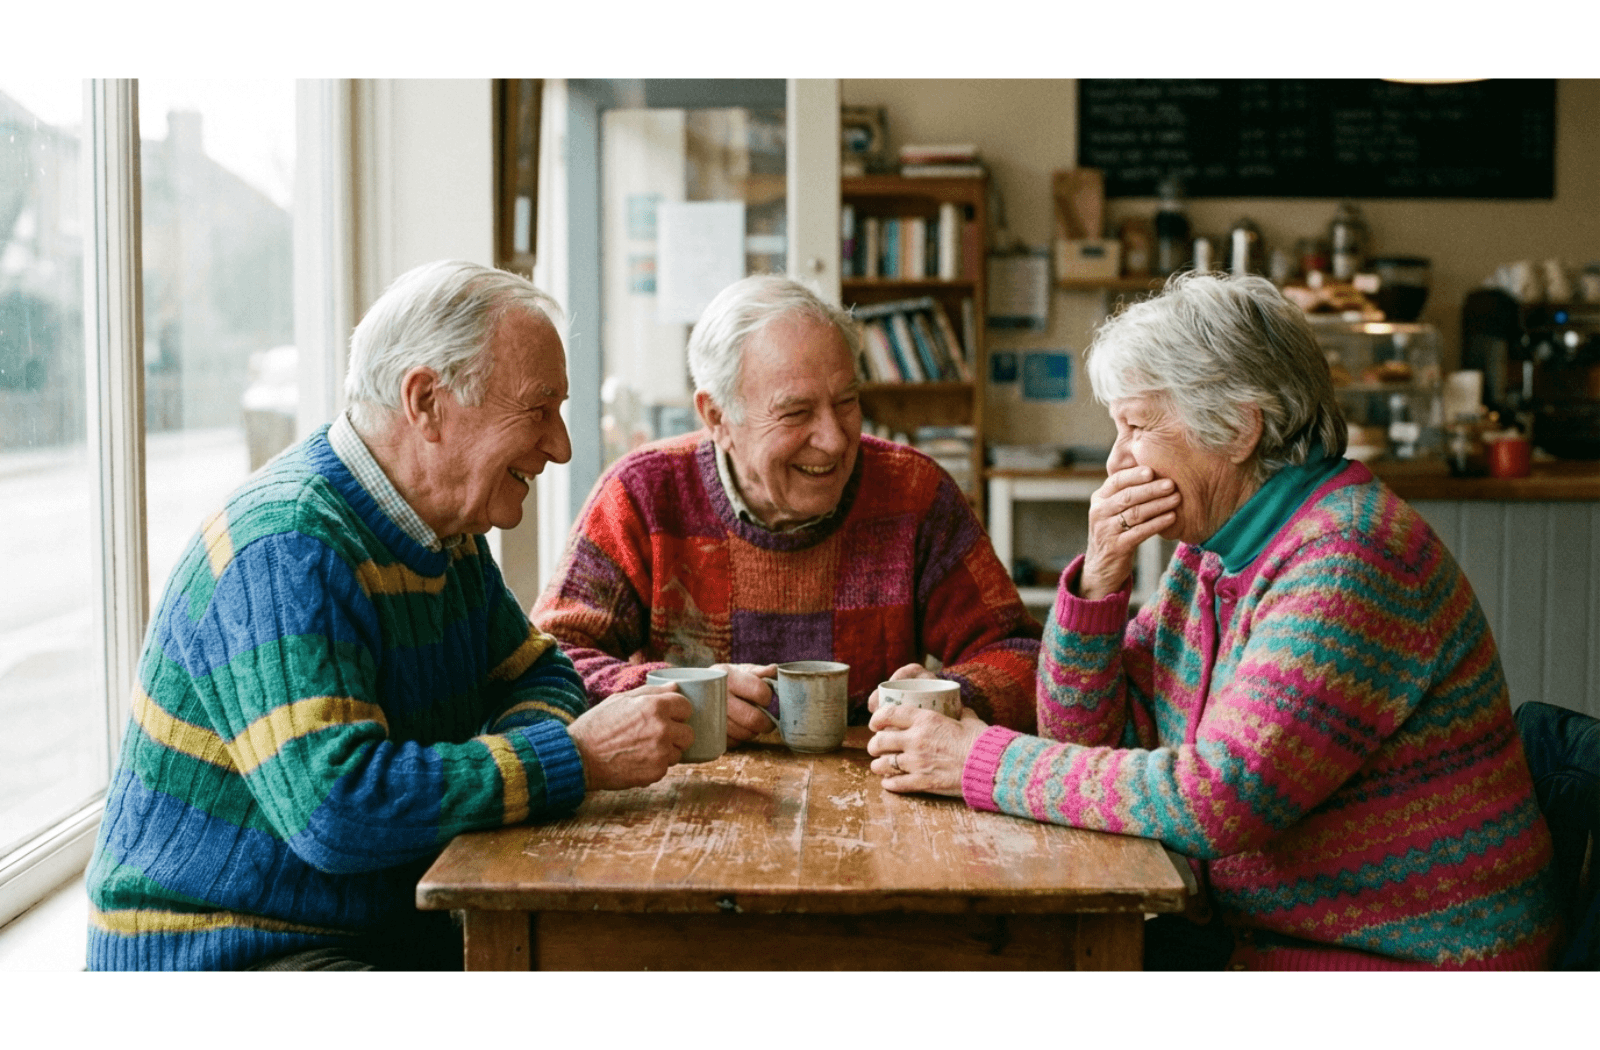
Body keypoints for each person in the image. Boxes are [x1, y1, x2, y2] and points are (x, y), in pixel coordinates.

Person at [867, 272, 1564, 970]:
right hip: (1264, 943)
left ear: (1237, 427)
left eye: (1136, 426)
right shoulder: (1214, 553)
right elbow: (1090, 736)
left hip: (1404, 970)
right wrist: (1099, 584)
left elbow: (1214, 802)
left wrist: (974, 761)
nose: (1114, 463)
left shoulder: (1351, 557)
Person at [85, 261, 695, 971]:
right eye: (538, 409)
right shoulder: (289, 545)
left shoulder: (444, 534)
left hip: (372, 930)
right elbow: (336, 809)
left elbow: (540, 670)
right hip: (224, 960)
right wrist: (574, 759)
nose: (559, 446)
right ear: (427, 401)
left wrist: (532, 756)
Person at [531, 274, 1041, 742]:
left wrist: (951, 696)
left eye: (846, 401)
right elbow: (547, 663)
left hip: (878, 799)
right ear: (717, 417)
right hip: (684, 803)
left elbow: (1022, 655)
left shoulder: (914, 492)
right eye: (796, 412)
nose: (836, 440)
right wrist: (682, 693)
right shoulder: (642, 494)